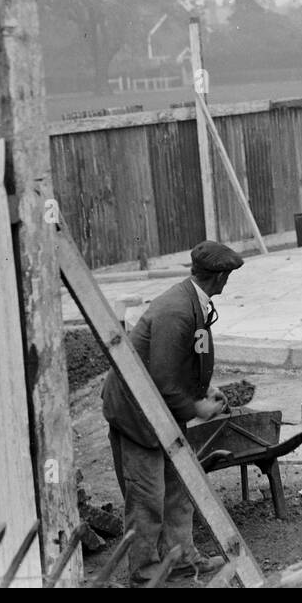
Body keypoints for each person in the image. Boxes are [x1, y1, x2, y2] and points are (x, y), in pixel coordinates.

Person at [101, 240, 244, 585]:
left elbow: (184, 358)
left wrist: (202, 388)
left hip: (160, 408)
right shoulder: (177, 310)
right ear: (220, 276)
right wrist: (197, 407)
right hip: (137, 413)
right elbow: (163, 377)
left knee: (178, 485)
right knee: (147, 495)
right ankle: (145, 571)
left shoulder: (194, 301)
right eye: (229, 275)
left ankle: (181, 558)